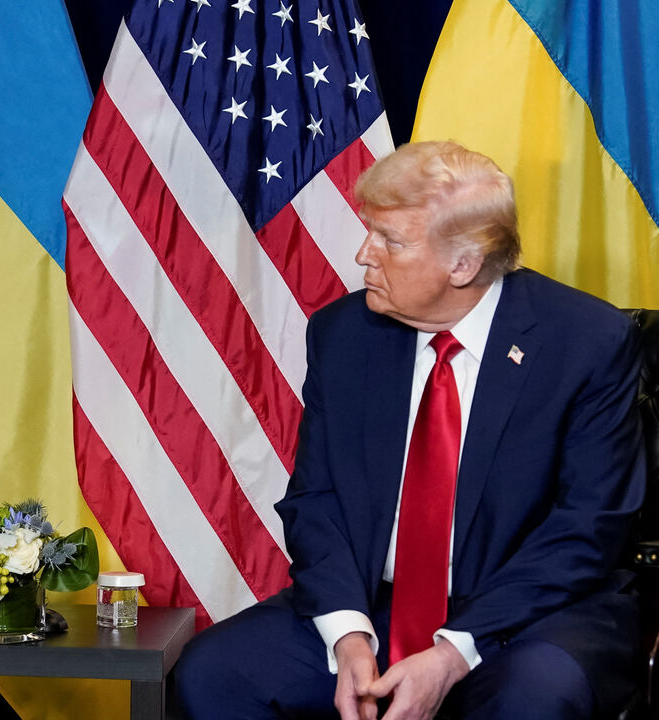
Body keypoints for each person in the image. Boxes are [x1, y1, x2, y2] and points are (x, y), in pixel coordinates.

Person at [175, 141, 644, 720]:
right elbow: (316, 502)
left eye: (389, 241)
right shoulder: (343, 334)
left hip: (532, 616)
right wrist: (348, 636)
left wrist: (452, 651)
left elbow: (587, 529)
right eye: (370, 231)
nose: (363, 254)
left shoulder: (586, 343)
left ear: (463, 264)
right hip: (374, 606)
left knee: (533, 697)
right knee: (214, 674)